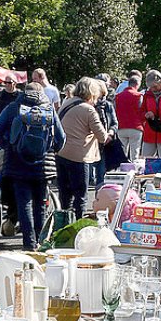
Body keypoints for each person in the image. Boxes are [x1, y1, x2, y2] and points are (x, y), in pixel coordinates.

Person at [0, 80, 64, 249]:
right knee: (40, 204)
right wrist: (51, 151)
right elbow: (61, 137)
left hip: (17, 163)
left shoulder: (13, 108)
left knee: (24, 203)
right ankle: (40, 241)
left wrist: (10, 146)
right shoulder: (49, 110)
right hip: (43, 165)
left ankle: (29, 243)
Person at [55, 77, 110, 220]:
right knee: (81, 196)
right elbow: (102, 137)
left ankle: (64, 224)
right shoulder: (88, 110)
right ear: (92, 93)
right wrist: (110, 132)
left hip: (61, 154)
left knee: (65, 195)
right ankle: (78, 226)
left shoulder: (66, 103)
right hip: (79, 157)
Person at [114, 71, 145, 160]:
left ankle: (120, 172)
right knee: (134, 154)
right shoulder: (139, 96)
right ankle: (133, 171)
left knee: (122, 154)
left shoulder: (118, 96)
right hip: (136, 127)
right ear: (137, 84)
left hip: (121, 126)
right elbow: (141, 111)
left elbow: (115, 111)